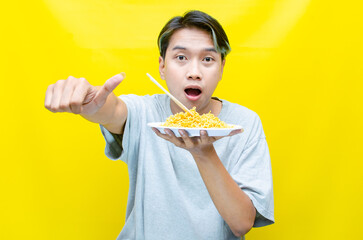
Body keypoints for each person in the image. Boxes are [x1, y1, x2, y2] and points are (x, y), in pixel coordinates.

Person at [44, 10, 274, 240]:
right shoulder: (146, 112)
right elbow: (113, 110)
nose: (194, 73)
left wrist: (203, 152)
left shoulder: (245, 123)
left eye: (207, 59)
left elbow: (242, 223)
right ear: (162, 67)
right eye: (181, 57)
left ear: (222, 67)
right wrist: (91, 104)